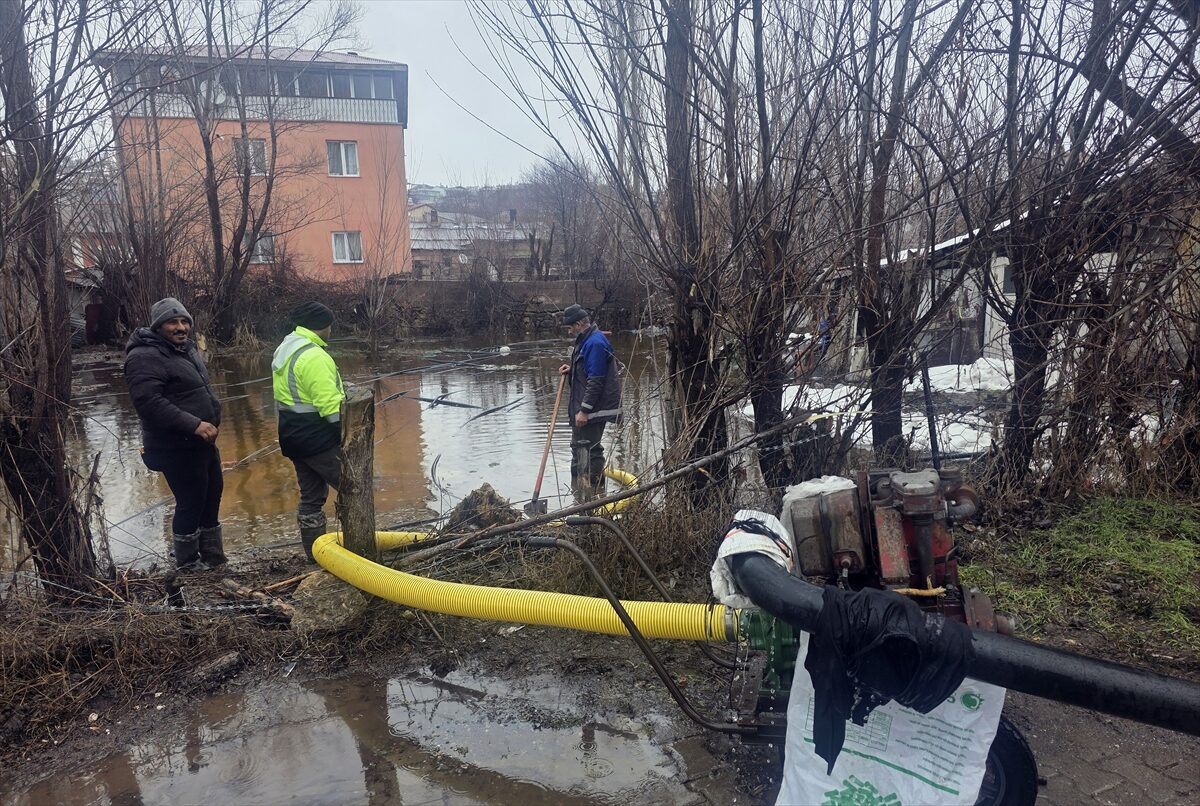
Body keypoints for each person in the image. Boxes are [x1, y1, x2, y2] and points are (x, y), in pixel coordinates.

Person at [125, 297, 226, 572]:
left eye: (184, 321)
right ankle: (188, 563)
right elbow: (148, 403)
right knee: (190, 502)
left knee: (212, 493)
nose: (181, 327)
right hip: (175, 446)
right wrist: (194, 424)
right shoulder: (143, 356)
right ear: (158, 326)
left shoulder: (185, 350)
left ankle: (213, 557)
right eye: (173, 322)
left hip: (201, 443)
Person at [272, 302, 345, 562]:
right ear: (322, 326)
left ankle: (314, 556)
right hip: (319, 439)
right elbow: (331, 409)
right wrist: (347, 434)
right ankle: (358, 549)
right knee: (353, 488)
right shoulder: (314, 355)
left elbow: (298, 394)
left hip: (294, 437)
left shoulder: (287, 347)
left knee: (311, 497)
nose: (331, 330)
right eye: (330, 325)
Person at [559, 304, 622, 501]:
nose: (570, 331)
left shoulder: (594, 342)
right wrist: (573, 369)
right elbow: (591, 369)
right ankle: (579, 495)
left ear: (579, 324)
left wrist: (584, 410)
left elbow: (597, 379)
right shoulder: (588, 340)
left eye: (570, 327)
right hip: (588, 408)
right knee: (579, 449)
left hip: (593, 411)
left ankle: (592, 497)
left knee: (590, 450)